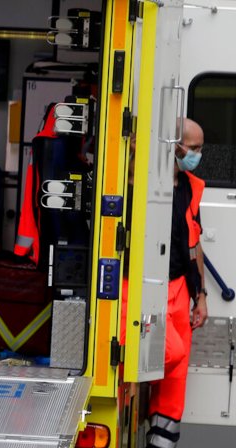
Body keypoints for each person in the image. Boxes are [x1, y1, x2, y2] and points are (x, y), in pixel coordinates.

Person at [146, 118, 209, 448]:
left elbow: (195, 244)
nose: (197, 155)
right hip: (146, 287)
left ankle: (161, 439)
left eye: (200, 148)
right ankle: (144, 402)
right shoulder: (143, 182)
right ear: (175, 145)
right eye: (194, 148)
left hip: (180, 287)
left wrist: (201, 296)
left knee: (178, 370)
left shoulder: (192, 187)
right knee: (170, 352)